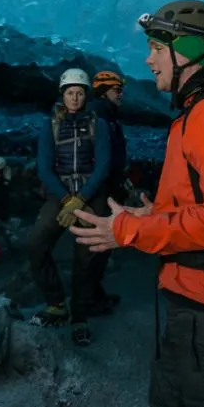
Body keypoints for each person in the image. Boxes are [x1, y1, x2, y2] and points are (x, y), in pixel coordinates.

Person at [71, 0, 204, 407]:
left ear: (188, 50)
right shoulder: (200, 110)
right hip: (194, 302)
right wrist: (155, 214)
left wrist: (129, 230)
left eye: (156, 49)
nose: (147, 60)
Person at [28, 68, 111, 347]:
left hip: (90, 194)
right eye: (70, 92)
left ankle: (80, 316)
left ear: (86, 95)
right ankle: (56, 304)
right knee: (37, 242)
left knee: (86, 258)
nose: (74, 98)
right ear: (62, 95)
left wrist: (82, 197)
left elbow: (103, 164)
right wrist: (66, 199)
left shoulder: (98, 124)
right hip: (60, 194)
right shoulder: (49, 124)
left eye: (79, 93)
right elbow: (44, 166)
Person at [87, 70, 128, 313]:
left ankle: (94, 293)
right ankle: (88, 300)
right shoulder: (98, 114)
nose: (121, 94)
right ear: (104, 91)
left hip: (108, 186)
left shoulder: (109, 115)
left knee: (102, 247)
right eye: (117, 89)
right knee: (96, 246)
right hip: (100, 189)